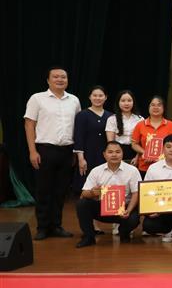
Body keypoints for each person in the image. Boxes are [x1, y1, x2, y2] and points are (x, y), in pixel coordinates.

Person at [24, 66, 81, 240]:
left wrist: (75, 153)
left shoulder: (74, 100)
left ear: (67, 80)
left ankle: (56, 225)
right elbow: (29, 125)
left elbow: (77, 127)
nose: (60, 79)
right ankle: (42, 227)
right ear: (48, 80)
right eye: (55, 77)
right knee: (43, 190)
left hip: (67, 151)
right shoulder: (37, 98)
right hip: (44, 150)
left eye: (63, 77)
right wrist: (32, 151)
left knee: (61, 191)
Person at [74, 141, 141, 248]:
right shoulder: (96, 171)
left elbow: (136, 193)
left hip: (124, 209)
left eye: (117, 152)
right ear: (104, 154)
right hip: (103, 208)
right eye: (110, 152)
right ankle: (89, 237)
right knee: (82, 204)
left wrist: (128, 210)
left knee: (134, 218)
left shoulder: (132, 171)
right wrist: (92, 193)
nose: (114, 155)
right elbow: (84, 193)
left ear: (122, 153)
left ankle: (124, 233)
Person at [73, 86, 113, 192]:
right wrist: (81, 159)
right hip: (88, 155)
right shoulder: (82, 115)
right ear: (90, 97)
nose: (97, 98)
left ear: (105, 97)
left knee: (105, 184)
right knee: (86, 186)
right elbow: (78, 137)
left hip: (105, 156)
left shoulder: (111, 116)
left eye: (100, 95)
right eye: (94, 95)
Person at [131, 95, 172, 177]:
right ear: (148, 107)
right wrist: (145, 153)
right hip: (145, 166)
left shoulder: (171, 125)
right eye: (153, 105)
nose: (156, 107)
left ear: (164, 108)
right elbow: (134, 144)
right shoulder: (140, 125)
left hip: (165, 166)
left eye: (159, 105)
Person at [105, 90, 143, 166]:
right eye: (123, 101)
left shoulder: (140, 119)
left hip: (136, 152)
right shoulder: (112, 119)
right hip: (117, 151)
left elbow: (142, 141)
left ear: (133, 102)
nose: (126, 103)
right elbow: (110, 142)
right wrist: (116, 156)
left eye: (129, 100)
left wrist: (137, 157)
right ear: (118, 102)